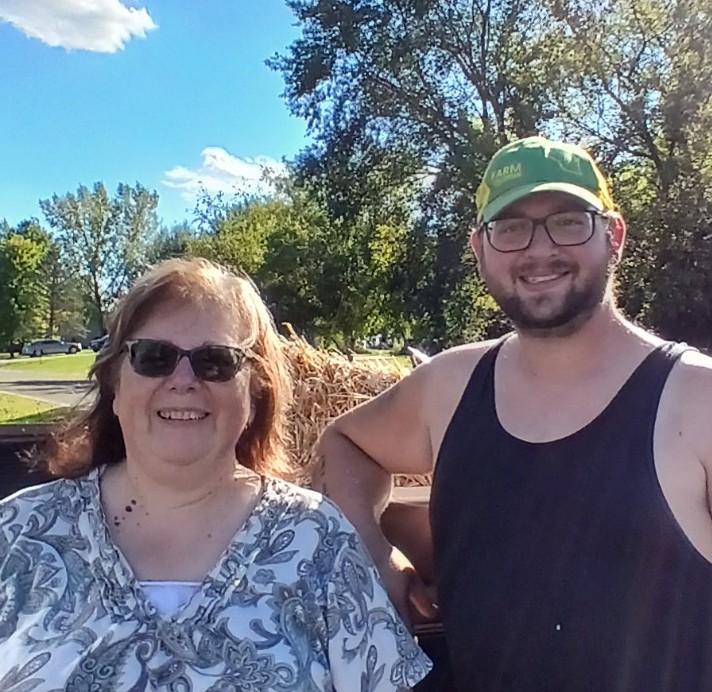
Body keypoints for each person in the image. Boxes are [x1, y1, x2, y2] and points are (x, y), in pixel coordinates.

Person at [315, 136, 712, 691]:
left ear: (614, 236)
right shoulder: (450, 386)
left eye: (569, 221)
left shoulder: (698, 401)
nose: (539, 249)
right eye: (511, 227)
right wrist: (378, 559)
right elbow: (344, 443)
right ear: (479, 249)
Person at [0, 258, 432, 690]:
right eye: (154, 357)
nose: (183, 380)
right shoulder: (18, 533)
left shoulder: (319, 542)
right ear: (115, 383)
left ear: (254, 393)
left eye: (216, 361)